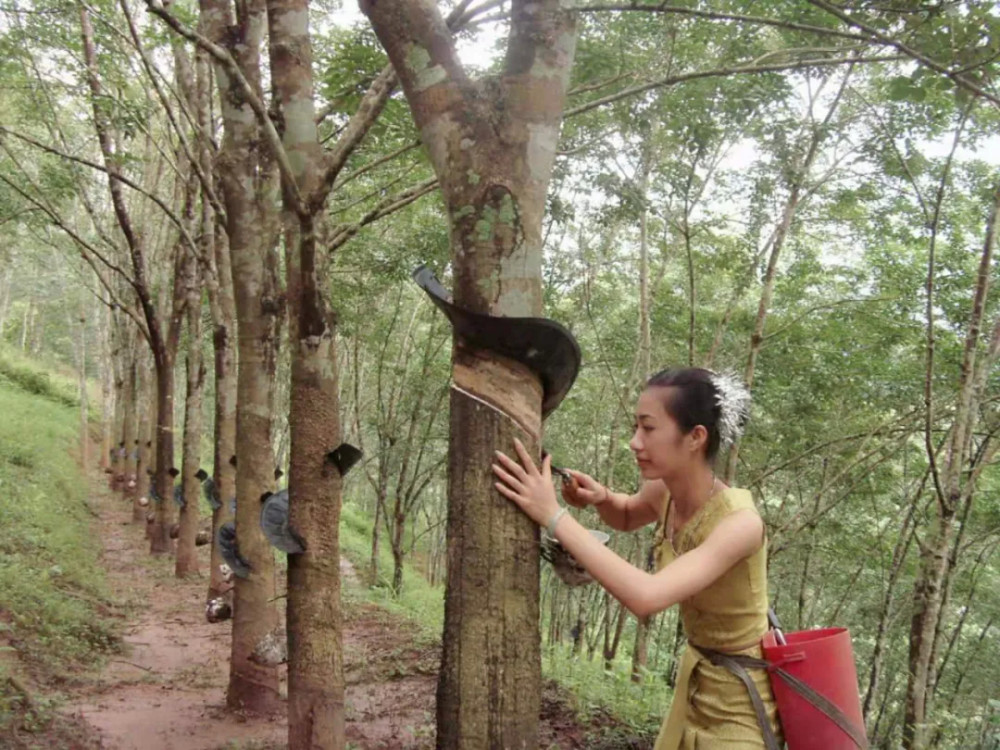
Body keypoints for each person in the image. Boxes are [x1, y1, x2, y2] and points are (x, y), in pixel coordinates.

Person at [492, 367, 782, 749]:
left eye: (648, 428)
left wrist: (552, 515)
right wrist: (602, 499)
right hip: (695, 688)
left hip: (740, 705)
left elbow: (648, 598)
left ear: (695, 437)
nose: (634, 442)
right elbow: (627, 514)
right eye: (636, 427)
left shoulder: (739, 524)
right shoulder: (664, 490)